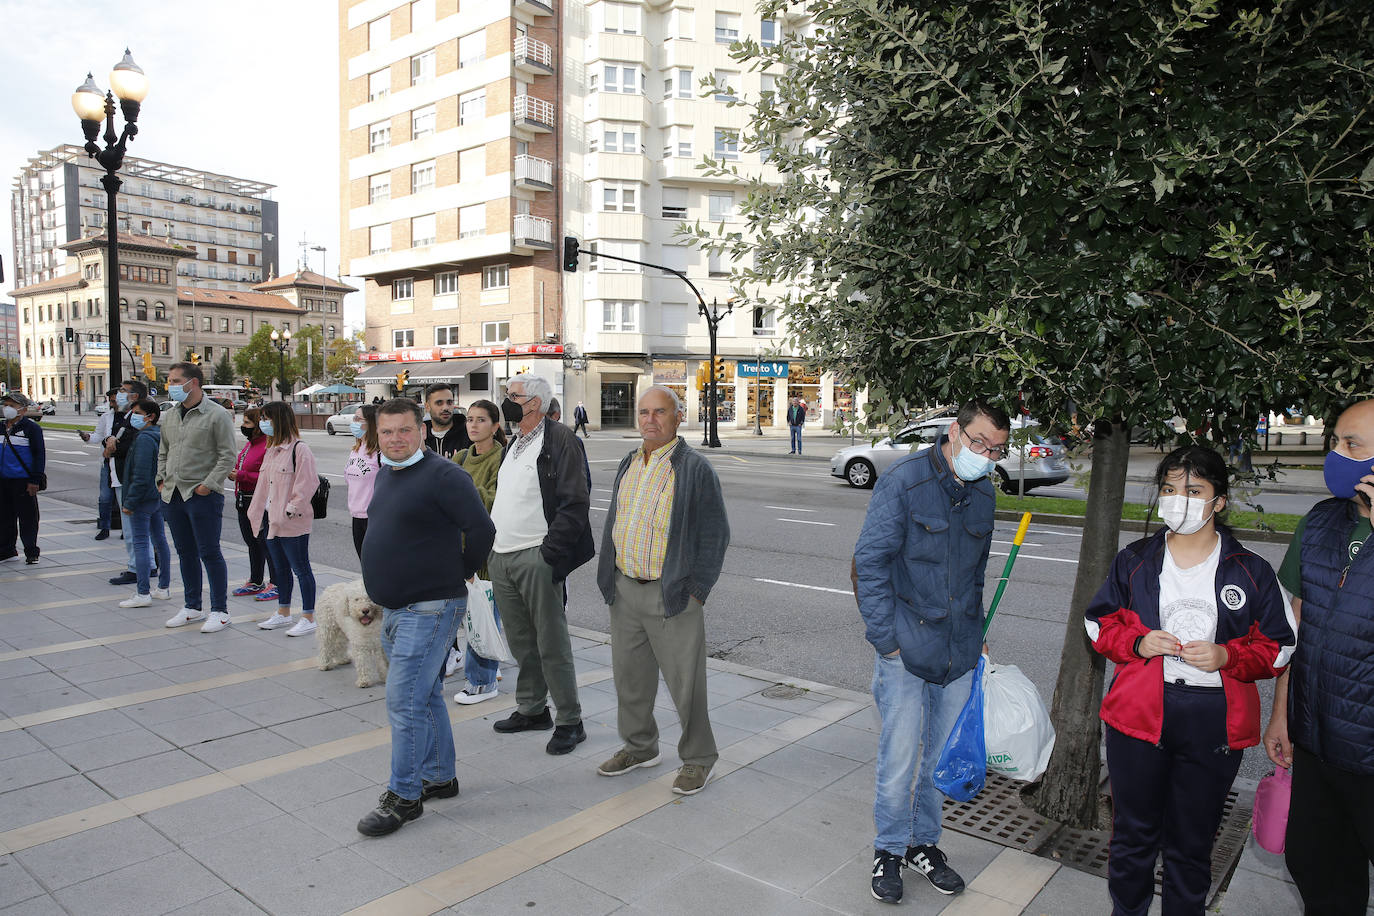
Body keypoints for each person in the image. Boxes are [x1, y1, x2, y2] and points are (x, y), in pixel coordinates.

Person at [1087, 445, 1295, 916]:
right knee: (1133, 836)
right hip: (1139, 716)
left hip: (1213, 723)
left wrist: (1228, 654)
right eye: (1170, 489)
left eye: (1194, 490)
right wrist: (1138, 645)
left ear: (1219, 501)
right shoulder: (1135, 560)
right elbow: (1097, 623)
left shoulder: (1250, 570)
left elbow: (1280, 646)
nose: (1179, 500)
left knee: (1192, 840)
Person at [853, 398, 1010, 903]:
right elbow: (868, 564)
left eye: (996, 449)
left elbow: (975, 573)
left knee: (940, 757)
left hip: (958, 650)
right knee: (899, 757)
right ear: (955, 432)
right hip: (905, 649)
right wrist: (886, 642)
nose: (985, 455)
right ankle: (889, 850)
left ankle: (925, 845)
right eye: (979, 442)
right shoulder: (905, 481)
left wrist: (978, 629)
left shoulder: (984, 494)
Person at [356, 398, 494, 836]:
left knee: (404, 701)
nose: (395, 439)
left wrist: (457, 574)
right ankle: (438, 776)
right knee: (427, 695)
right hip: (395, 608)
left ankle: (405, 796)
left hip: (430, 608)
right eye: (386, 432)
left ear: (420, 430)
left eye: (403, 430)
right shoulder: (385, 473)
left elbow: (482, 530)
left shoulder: (445, 475)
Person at [1263, 398, 1374, 914]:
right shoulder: (1322, 521)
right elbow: (1297, 627)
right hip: (1317, 743)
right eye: (1337, 442)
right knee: (1316, 867)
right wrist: (1283, 713)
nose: (1337, 454)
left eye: (1352, 445)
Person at [595, 387, 730, 795]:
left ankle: (698, 759)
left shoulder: (692, 468)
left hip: (670, 594)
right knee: (630, 680)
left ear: (677, 417)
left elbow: (715, 534)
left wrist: (696, 590)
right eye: (643, 413)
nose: (650, 420)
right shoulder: (629, 462)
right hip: (626, 588)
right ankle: (639, 747)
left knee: (686, 685)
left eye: (660, 412)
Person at [488, 374, 595, 755]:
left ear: (533, 403)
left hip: (536, 555)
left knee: (551, 641)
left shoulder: (561, 440)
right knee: (521, 641)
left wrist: (550, 555)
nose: (507, 401)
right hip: (502, 556)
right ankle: (532, 709)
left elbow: (575, 502)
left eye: (512, 396)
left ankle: (570, 720)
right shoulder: (514, 441)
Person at [157, 362, 237, 633]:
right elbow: (163, 451)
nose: (171, 385)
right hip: (173, 494)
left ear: (193, 383)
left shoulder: (216, 415)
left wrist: (208, 484)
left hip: (201, 494)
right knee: (185, 552)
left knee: (209, 552)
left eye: (176, 380)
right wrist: (160, 480)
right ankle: (192, 606)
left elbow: (227, 455)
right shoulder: (169, 415)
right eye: (169, 380)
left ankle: (220, 610)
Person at [450, 399, 507, 704]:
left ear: (495, 426)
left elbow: (496, 502)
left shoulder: (502, 459)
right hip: (452, 550)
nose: (473, 425)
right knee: (455, 617)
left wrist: (464, 491)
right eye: (470, 419)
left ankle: (483, 681)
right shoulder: (459, 457)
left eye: (481, 420)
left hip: (484, 553)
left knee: (481, 619)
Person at [249, 401, 319, 637]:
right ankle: (283, 612)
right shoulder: (272, 450)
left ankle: (308, 616)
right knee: (280, 569)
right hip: (270, 519)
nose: (263, 423)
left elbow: (307, 483)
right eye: (262, 418)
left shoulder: (300, 449)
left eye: (267, 418)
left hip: (291, 520)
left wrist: (291, 509)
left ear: (279, 420)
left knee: (301, 569)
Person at [116, 399, 172, 607]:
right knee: (159, 539)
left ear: (151, 416)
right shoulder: (158, 435)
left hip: (143, 498)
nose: (133, 416)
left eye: (138, 413)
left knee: (141, 542)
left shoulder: (144, 439)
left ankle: (142, 593)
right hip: (156, 495)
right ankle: (163, 587)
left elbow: (140, 475)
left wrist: (130, 502)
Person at [230, 406, 278, 601]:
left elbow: (268, 476)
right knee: (252, 543)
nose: (243, 426)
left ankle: (276, 582)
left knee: (266, 543)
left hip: (258, 500)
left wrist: (241, 475)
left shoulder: (267, 445)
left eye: (247, 423)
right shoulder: (250, 444)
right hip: (243, 499)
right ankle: (256, 580)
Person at [106, 379, 150, 586]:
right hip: (121, 477)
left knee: (134, 529)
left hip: (130, 480)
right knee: (133, 529)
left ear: (134, 396)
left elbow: (133, 448)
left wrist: (114, 446)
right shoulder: (126, 416)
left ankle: (140, 567)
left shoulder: (138, 419)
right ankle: (142, 565)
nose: (119, 394)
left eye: (123, 391)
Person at [0, 392, 45, 564]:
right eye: (6, 405)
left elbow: (39, 456)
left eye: (12, 405)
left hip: (23, 480)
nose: (8, 408)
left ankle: (31, 551)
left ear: (23, 409)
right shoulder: (2, 426)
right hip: (3, 479)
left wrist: (35, 480)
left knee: (28, 518)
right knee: (4, 517)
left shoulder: (31, 428)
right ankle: (6, 551)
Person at [82, 389, 120, 539]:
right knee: (105, 497)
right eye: (111, 401)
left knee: (123, 498)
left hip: (123, 463)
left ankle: (125, 529)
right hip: (107, 462)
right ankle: (105, 527)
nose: (113, 404)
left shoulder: (131, 416)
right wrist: (87, 437)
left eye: (115, 400)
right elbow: (98, 435)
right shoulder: (106, 416)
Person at [345, 403, 381, 559]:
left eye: (358, 419)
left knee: (377, 565)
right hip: (356, 516)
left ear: (371, 423)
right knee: (364, 564)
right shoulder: (356, 450)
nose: (354, 422)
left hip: (374, 519)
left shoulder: (381, 453)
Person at [422, 383, 470, 458]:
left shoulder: (468, 435)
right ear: (427, 407)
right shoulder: (420, 439)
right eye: (439, 403)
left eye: (449, 402)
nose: (445, 408)